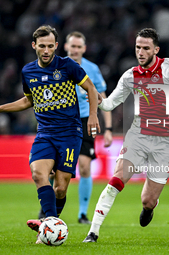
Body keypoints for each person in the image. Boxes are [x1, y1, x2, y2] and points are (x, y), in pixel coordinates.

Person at [0, 25, 100, 243]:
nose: (45, 50)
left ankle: (49, 224)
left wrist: (92, 116)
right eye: (41, 46)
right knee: (37, 174)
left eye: (50, 46)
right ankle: (50, 225)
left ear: (56, 46)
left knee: (60, 189)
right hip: (45, 133)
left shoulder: (67, 66)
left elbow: (91, 88)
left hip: (70, 133)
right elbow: (28, 100)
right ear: (34, 45)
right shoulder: (28, 71)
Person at [83, 28, 169, 242]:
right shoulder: (130, 76)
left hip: (166, 141)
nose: (141, 52)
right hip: (139, 135)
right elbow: (109, 104)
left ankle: (150, 207)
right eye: (138, 48)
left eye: (146, 48)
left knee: (147, 200)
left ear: (156, 49)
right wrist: (97, 98)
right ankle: (93, 232)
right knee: (117, 179)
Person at [38, 31, 113, 224]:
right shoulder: (55, 66)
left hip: (85, 119)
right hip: (60, 121)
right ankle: (48, 208)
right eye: (73, 46)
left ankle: (82, 214)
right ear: (65, 47)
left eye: (79, 47)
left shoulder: (92, 69)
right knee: (53, 170)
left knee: (85, 167)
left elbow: (104, 99)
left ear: (84, 49)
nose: (76, 50)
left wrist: (109, 129)